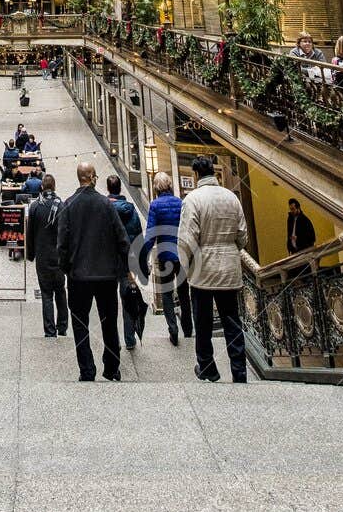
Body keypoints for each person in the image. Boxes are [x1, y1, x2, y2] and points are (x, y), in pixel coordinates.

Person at [178, 155, 248, 384]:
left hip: (203, 271)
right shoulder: (231, 197)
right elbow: (242, 236)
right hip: (229, 269)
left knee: (204, 322)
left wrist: (185, 265)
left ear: (196, 175)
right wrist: (229, 250)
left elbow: (187, 239)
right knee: (232, 321)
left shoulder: (193, 200)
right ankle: (239, 371)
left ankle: (208, 367)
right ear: (214, 174)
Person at [57, 161, 128, 382]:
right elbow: (123, 240)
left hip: (79, 277)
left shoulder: (68, 205)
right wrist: (121, 269)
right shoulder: (106, 205)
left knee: (80, 324)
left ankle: (87, 370)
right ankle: (112, 368)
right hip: (106, 276)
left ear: (80, 178)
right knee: (109, 322)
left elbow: (62, 245)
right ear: (93, 177)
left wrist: (68, 269)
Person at [143, 170, 192, 345]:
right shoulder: (181, 203)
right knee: (184, 292)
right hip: (181, 254)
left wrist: (145, 256)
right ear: (170, 186)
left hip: (165, 255)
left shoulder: (155, 206)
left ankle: (173, 328)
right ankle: (188, 329)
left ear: (156, 188)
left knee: (166, 293)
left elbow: (151, 234)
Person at [106, 174, 147, 351]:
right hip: (126, 262)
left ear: (108, 189)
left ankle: (112, 339)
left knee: (108, 302)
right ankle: (129, 339)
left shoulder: (103, 208)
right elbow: (139, 237)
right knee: (128, 298)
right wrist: (143, 265)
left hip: (107, 262)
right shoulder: (130, 210)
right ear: (120, 189)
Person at [26, 173, 68, 338]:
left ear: (42, 187)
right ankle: (63, 327)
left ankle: (50, 330)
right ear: (54, 186)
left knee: (46, 294)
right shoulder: (62, 206)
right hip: (58, 257)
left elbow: (30, 233)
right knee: (61, 292)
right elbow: (66, 233)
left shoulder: (35, 207)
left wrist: (31, 254)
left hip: (43, 258)